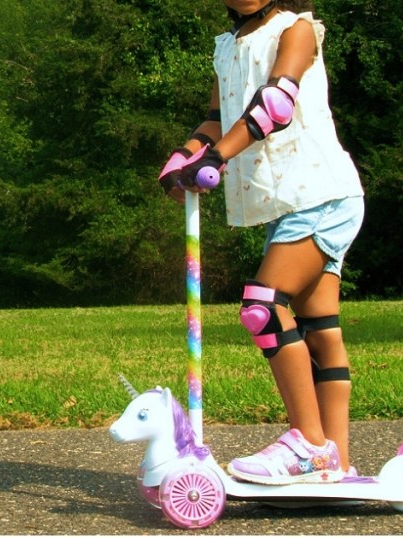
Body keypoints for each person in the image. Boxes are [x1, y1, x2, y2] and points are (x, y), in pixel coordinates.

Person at [158, 0, 364, 485]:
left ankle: (310, 445)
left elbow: (276, 106)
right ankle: (335, 464)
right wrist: (183, 156)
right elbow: (216, 117)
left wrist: (218, 159)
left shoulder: (298, 31)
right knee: (319, 329)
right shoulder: (226, 47)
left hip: (322, 194)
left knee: (263, 306)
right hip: (289, 202)